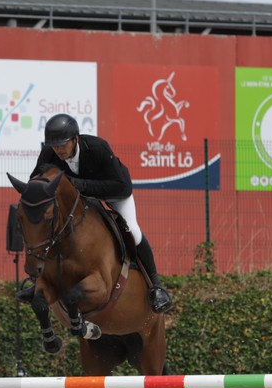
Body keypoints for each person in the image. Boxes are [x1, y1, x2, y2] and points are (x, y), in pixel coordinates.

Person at [27, 114, 173, 313]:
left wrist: (80, 185)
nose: (58, 150)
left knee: (133, 231)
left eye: (62, 145)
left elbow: (119, 185)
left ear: (75, 139)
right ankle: (41, 282)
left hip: (114, 193)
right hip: (81, 199)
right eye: (54, 146)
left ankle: (156, 287)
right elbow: (36, 180)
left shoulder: (97, 148)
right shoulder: (49, 153)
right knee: (52, 228)